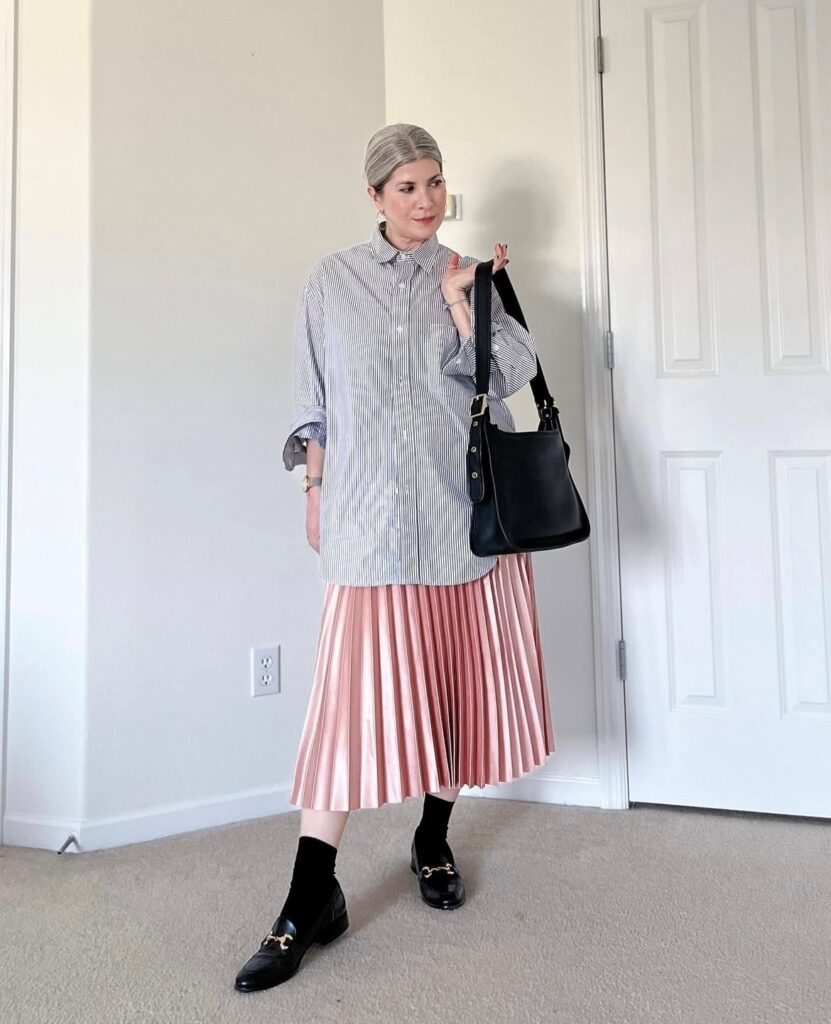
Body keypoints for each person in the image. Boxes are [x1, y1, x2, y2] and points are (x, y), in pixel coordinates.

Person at [234, 123, 555, 993]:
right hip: (367, 528)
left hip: (462, 528)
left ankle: (432, 837)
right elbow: (315, 398)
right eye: (406, 186)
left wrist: (462, 300)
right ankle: (310, 896)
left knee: (450, 694)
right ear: (373, 197)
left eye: (434, 183)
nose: (424, 200)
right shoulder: (330, 282)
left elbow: (514, 375)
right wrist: (313, 491)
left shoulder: (472, 276)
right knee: (343, 714)